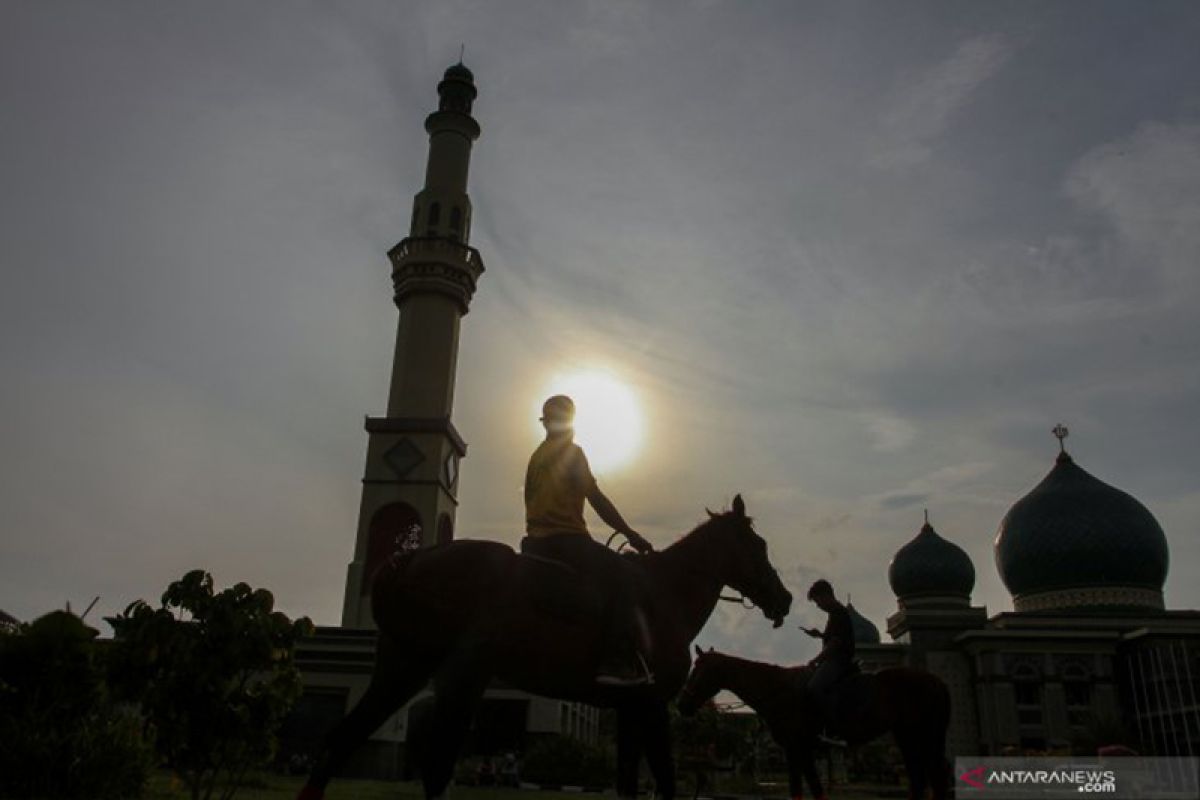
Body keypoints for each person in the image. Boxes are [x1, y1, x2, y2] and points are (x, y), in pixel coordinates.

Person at [522, 394, 654, 686]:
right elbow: (597, 500)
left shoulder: (537, 456)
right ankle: (614, 660)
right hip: (566, 540)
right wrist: (631, 534)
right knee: (625, 576)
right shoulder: (572, 453)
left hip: (534, 542)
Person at [801, 579, 855, 733]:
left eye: (818, 602)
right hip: (834, 660)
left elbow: (835, 644)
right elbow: (834, 637)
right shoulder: (835, 614)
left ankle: (834, 726)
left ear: (826, 596)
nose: (819, 606)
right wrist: (820, 635)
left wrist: (816, 660)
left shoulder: (838, 613)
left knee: (814, 687)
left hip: (838, 662)